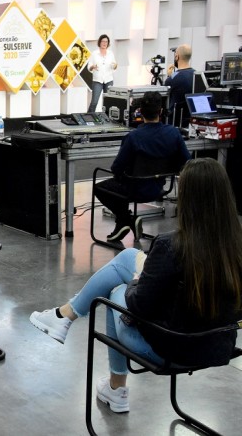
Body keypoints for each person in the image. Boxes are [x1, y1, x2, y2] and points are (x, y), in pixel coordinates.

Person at [30, 158, 242, 413]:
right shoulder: (235, 246)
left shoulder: (170, 245)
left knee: (115, 290)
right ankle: (64, 316)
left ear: (188, 199)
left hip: (170, 350)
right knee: (130, 257)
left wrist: (135, 281)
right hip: (217, 346)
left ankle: (114, 384)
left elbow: (139, 305)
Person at [94, 91, 191, 241]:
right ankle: (124, 222)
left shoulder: (133, 137)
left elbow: (116, 168)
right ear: (161, 111)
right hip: (159, 189)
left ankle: (126, 220)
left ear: (140, 112)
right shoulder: (174, 133)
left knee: (100, 187)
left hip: (134, 190)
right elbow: (187, 161)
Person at [87, 34, 117, 113]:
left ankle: (107, 117)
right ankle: (89, 117)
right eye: (103, 41)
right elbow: (89, 67)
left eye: (106, 42)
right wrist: (93, 67)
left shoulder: (110, 53)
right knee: (94, 102)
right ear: (99, 42)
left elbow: (114, 66)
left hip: (108, 80)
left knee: (108, 102)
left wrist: (115, 66)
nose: (104, 43)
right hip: (98, 80)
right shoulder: (94, 53)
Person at [165, 44, 194, 123]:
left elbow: (165, 99)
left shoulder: (172, 78)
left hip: (175, 120)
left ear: (177, 56)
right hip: (191, 120)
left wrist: (169, 76)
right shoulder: (197, 75)